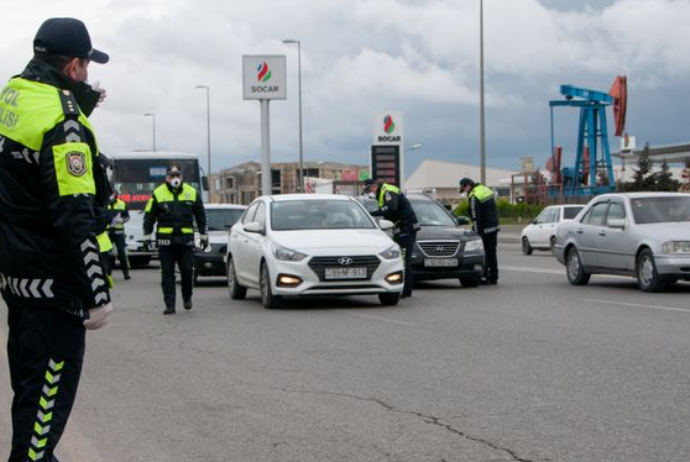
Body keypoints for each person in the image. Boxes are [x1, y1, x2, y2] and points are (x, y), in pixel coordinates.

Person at [0, 17, 112, 462]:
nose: (87, 74)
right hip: (55, 290)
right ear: (73, 67)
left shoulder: (13, 95)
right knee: (41, 420)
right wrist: (96, 292)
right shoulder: (65, 125)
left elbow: (25, 173)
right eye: (85, 66)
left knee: (29, 399)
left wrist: (79, 105)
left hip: (19, 278)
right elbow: (73, 215)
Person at [143, 166, 208, 315]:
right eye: (171, 176)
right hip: (166, 243)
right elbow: (149, 216)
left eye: (177, 175)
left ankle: (187, 297)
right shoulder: (158, 193)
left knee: (187, 272)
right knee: (167, 275)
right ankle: (170, 304)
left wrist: (204, 236)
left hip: (185, 242)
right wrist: (146, 237)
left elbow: (201, 215)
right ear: (166, 178)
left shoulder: (191, 192)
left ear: (181, 176)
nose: (174, 178)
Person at [363, 179, 419, 298]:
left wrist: (373, 212)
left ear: (375, 185)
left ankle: (405, 290)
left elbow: (391, 208)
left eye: (369, 189)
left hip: (407, 228)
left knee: (404, 261)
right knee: (402, 260)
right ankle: (405, 289)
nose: (369, 192)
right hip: (400, 228)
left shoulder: (387, 191)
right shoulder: (381, 193)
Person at [459, 177, 500, 285]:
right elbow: (494, 210)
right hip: (494, 227)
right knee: (492, 252)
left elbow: (475, 216)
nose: (465, 192)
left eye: (464, 190)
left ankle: (485, 276)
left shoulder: (474, 195)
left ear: (467, 185)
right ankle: (494, 277)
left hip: (484, 229)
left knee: (484, 253)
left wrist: (477, 234)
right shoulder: (485, 189)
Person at [106, 190, 131, 280]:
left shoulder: (122, 204)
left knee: (122, 253)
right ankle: (107, 274)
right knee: (107, 254)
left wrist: (122, 220)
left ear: (116, 195)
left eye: (113, 194)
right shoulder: (104, 204)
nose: (111, 196)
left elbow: (127, 216)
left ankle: (126, 273)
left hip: (119, 233)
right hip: (107, 233)